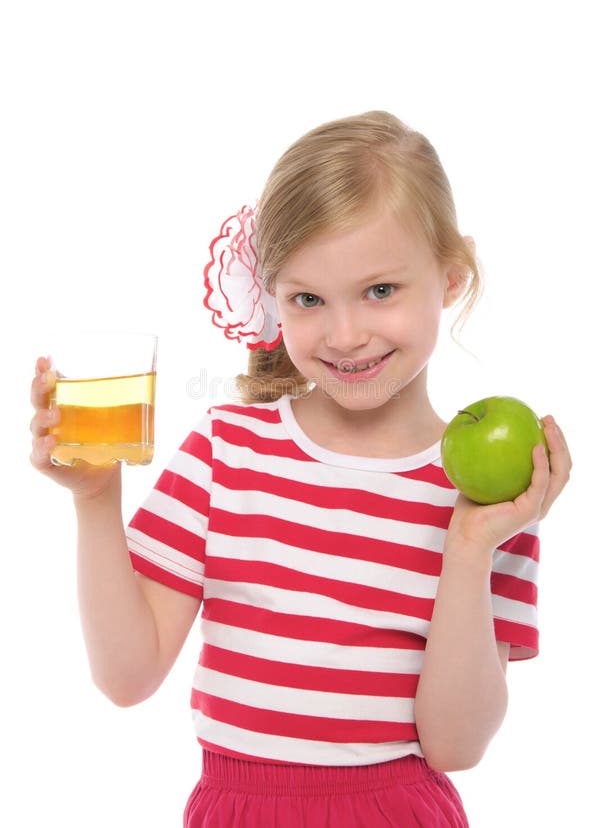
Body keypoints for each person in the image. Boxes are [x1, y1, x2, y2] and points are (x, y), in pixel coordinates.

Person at [30, 111, 572, 827]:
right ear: (272, 298)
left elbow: (455, 746)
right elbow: (127, 679)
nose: (345, 334)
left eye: (381, 290)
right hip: (236, 809)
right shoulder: (228, 448)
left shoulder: (489, 499)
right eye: (308, 299)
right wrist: (95, 501)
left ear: (451, 278)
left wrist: (470, 552)